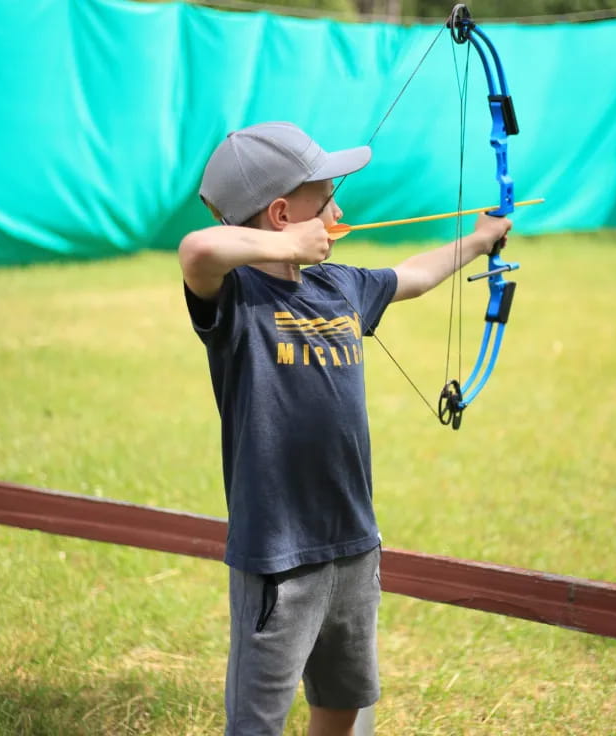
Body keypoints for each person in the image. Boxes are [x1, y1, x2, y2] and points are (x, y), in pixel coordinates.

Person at [178, 121, 511, 736]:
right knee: (258, 718)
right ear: (282, 214)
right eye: (326, 197)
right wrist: (282, 251)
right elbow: (198, 251)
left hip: (353, 538)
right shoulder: (236, 298)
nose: (340, 209)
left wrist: (479, 238)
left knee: (344, 695)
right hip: (279, 553)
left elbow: (413, 274)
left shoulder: (340, 284)